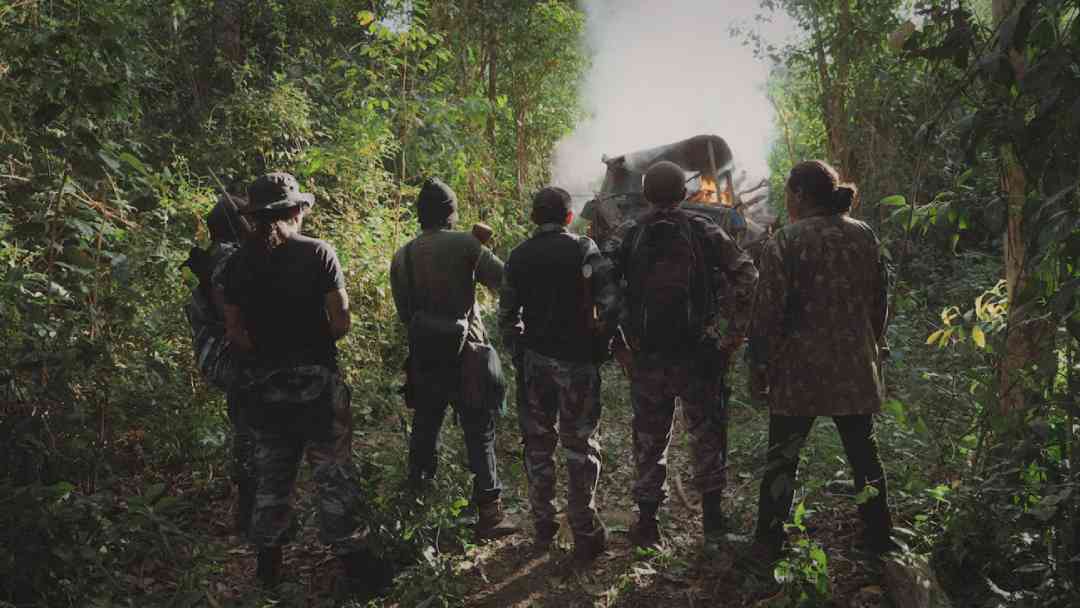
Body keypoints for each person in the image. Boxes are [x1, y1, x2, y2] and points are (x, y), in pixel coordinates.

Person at [222, 173, 385, 594]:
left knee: (273, 478)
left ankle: (268, 575)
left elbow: (235, 334)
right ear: (295, 211)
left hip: (265, 388)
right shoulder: (319, 253)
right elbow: (341, 321)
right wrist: (309, 342)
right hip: (317, 386)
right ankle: (356, 571)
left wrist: (268, 352)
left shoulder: (237, 264)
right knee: (333, 473)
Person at [748, 160, 894, 562]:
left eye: (788, 193)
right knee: (864, 453)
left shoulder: (787, 241)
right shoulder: (864, 234)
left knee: (782, 458)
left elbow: (767, 314)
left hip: (798, 373)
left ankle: (768, 544)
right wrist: (871, 345)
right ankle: (881, 537)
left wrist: (759, 363)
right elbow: (880, 302)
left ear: (798, 195)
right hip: (854, 367)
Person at [607, 161, 758, 550]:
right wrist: (732, 335)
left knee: (649, 440)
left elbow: (601, 286)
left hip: (647, 355)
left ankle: (647, 524)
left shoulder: (628, 231)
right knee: (707, 435)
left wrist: (618, 341)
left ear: (645, 194)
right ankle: (713, 525)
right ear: (683, 193)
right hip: (698, 352)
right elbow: (747, 275)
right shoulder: (703, 228)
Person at [389, 177, 518, 540]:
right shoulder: (466, 243)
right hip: (469, 354)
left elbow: (404, 313)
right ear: (450, 213)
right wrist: (482, 247)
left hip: (425, 355)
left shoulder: (403, 256)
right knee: (480, 431)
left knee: (426, 429)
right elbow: (505, 281)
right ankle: (490, 516)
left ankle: (417, 513)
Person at [498, 187, 618, 563]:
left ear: (535, 217)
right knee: (580, 445)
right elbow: (610, 302)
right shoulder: (584, 249)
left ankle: (544, 525)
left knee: (538, 443)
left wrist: (521, 352)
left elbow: (506, 316)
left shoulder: (518, 255)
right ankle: (583, 528)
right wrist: (600, 341)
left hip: (535, 361)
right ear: (569, 217)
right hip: (578, 361)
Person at [182, 192, 255, 537]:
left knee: (248, 427)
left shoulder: (223, 256)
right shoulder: (230, 260)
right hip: (236, 358)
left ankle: (251, 509)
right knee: (250, 431)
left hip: (230, 356)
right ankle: (250, 513)